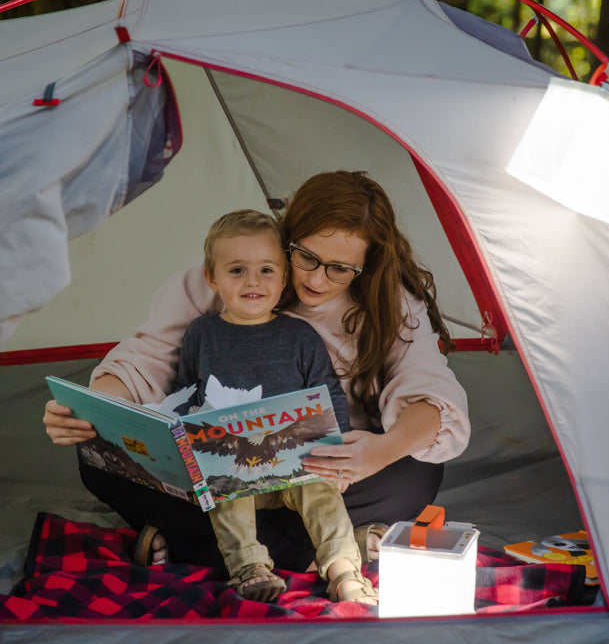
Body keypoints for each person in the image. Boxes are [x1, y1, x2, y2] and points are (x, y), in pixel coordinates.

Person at [44, 170, 470, 575]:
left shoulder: (390, 299)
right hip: (222, 467)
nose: (318, 280)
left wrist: (376, 453)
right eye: (306, 258)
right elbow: (149, 357)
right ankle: (333, 548)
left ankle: (201, 545)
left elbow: (428, 391)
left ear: (367, 264)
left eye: (340, 269)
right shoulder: (239, 270)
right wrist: (96, 408)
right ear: (288, 238)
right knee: (97, 457)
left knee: (418, 472)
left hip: (325, 473)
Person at [172, 209, 376, 604]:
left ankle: (343, 570)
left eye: (267, 270)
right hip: (235, 468)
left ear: (284, 279)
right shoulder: (202, 334)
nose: (253, 281)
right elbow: (186, 393)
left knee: (322, 493)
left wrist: (337, 451)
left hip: (294, 466)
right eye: (237, 271)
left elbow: (327, 393)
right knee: (226, 483)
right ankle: (249, 568)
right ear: (212, 278)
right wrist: (183, 437)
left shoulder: (299, 336)